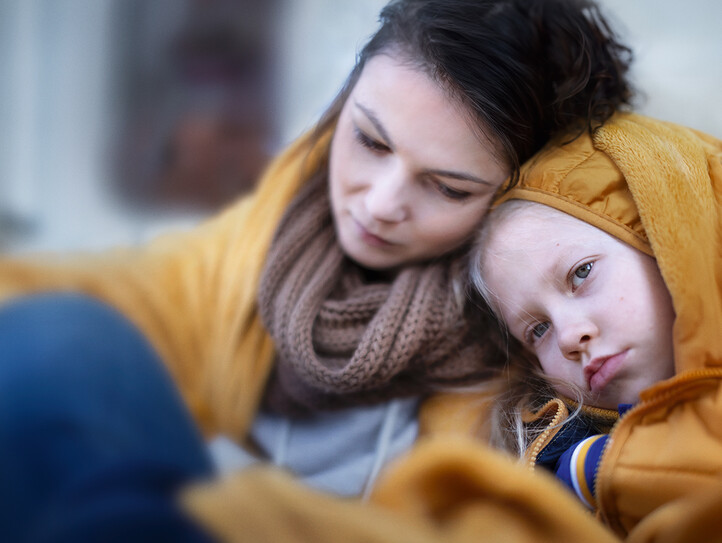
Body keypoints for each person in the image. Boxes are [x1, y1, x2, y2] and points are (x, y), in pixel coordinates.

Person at [0, 0, 634, 540]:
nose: (380, 205)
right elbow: (118, 293)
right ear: (342, 108)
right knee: (62, 337)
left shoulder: (549, 353)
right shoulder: (269, 229)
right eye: (370, 141)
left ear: (515, 199)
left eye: (447, 188)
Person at [465, 112, 722, 540]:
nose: (568, 337)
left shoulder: (589, 471)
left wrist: (605, 468)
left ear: (665, 239)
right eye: (537, 331)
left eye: (581, 273)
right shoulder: (558, 473)